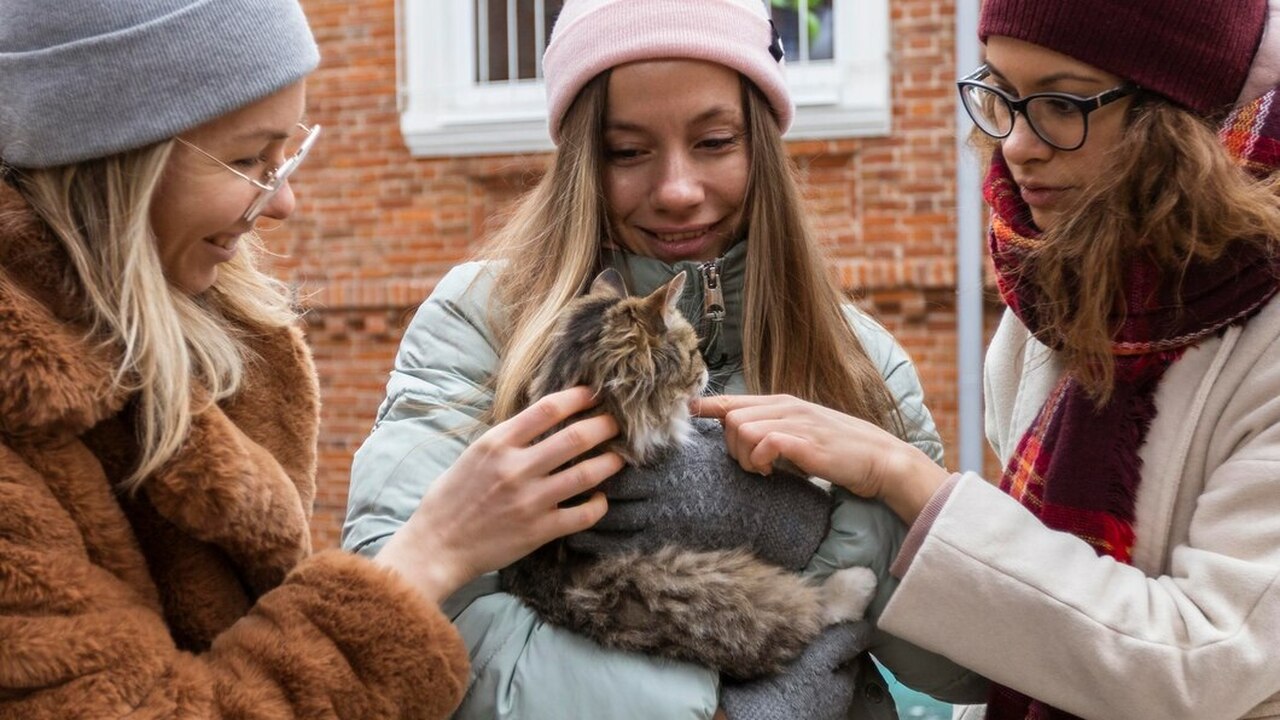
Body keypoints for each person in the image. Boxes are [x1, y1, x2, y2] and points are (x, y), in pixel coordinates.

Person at [343, 0, 988, 717]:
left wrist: (841, 519)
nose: (678, 190)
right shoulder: (484, 323)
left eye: (714, 141)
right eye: (628, 151)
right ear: (583, 160)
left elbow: (967, 668)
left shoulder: (857, 356)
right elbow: (404, 621)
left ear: (761, 147)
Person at [0, 1, 626, 717]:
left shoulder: (216, 341)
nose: (286, 201)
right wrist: (429, 557)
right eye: (246, 159)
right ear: (113, 160)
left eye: (288, 152)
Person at [694, 0, 1280, 718]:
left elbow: (1204, 665)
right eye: (1001, 92)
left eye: (1062, 103)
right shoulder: (1058, 296)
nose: (1016, 145)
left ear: (1182, 116)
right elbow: (1027, 630)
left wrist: (907, 480)